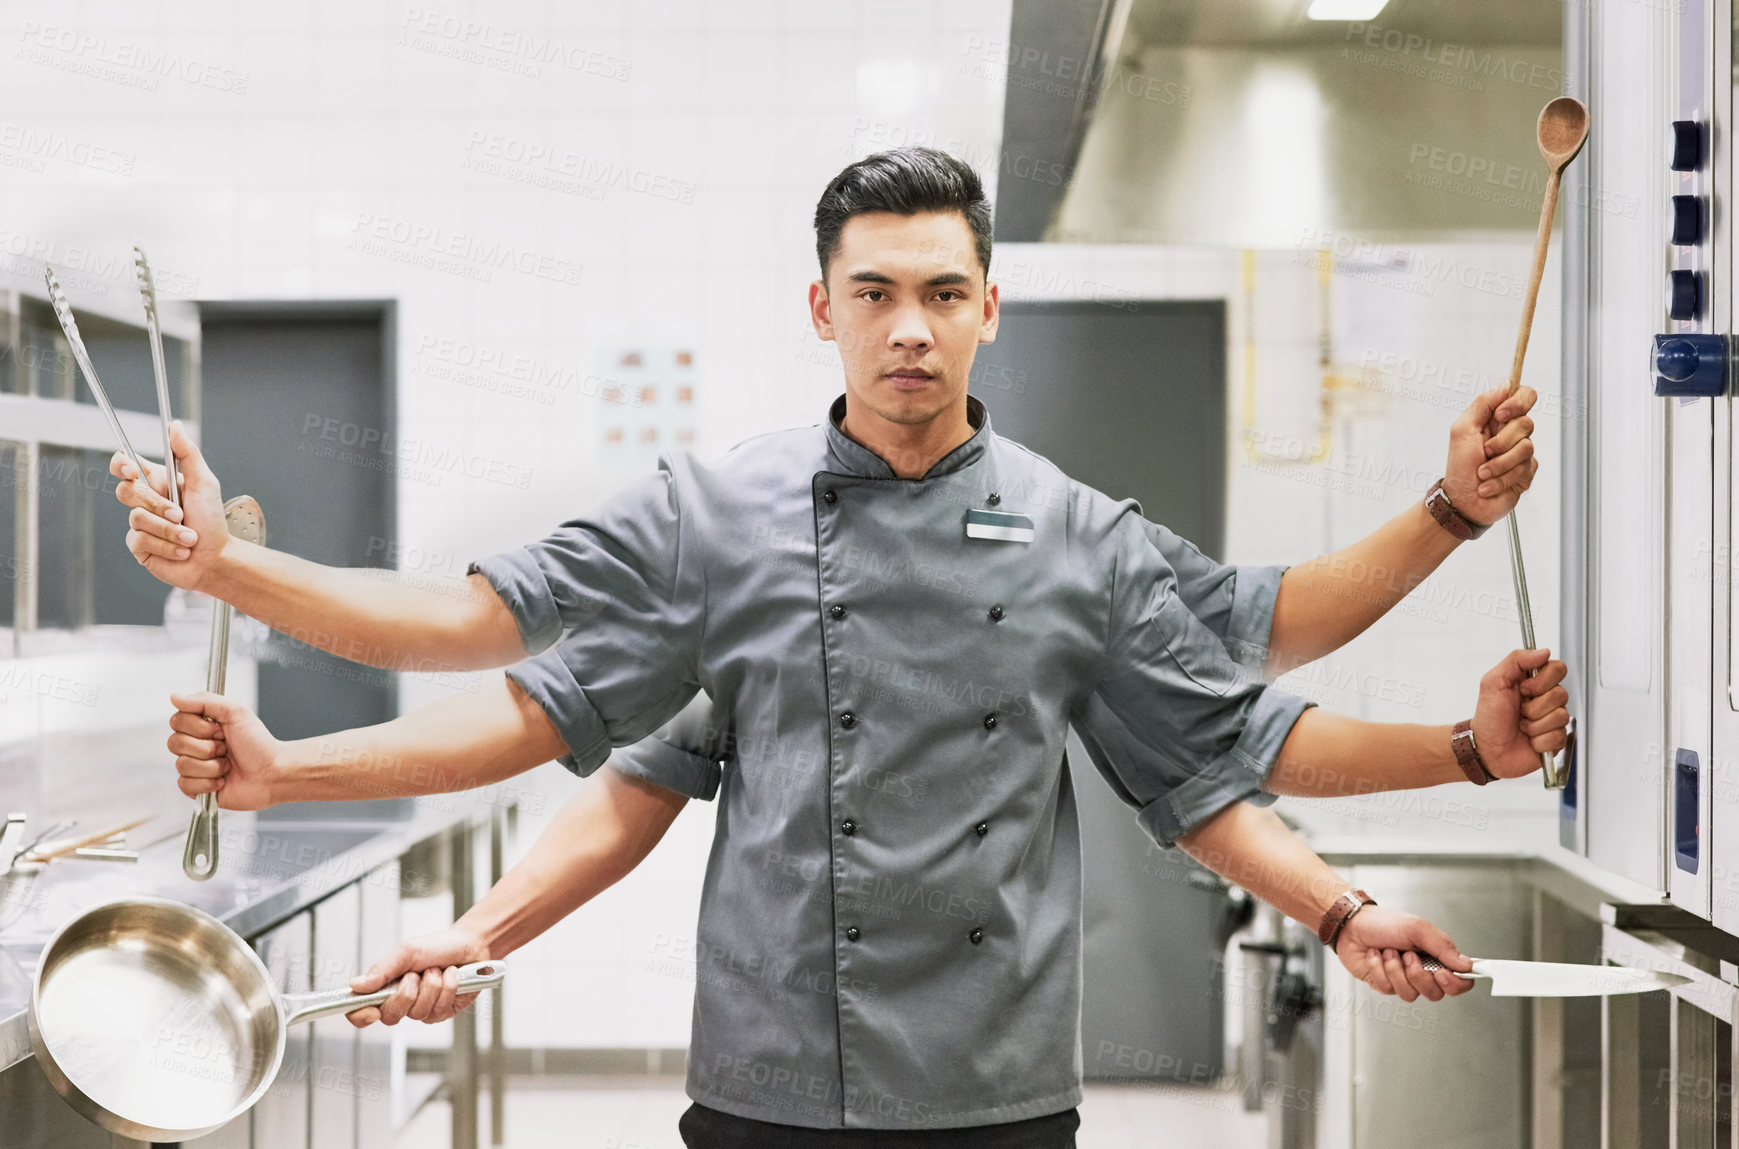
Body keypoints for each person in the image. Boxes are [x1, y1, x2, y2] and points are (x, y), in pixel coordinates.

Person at [113, 148, 1567, 1146]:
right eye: (874, 294)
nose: (910, 330)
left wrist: (1424, 771)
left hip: (997, 1099)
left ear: (989, 307)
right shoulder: (719, 518)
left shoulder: (1076, 536)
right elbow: (505, 656)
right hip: (765, 1095)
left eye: (943, 293)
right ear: (823, 310)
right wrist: (238, 581)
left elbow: (1221, 754)